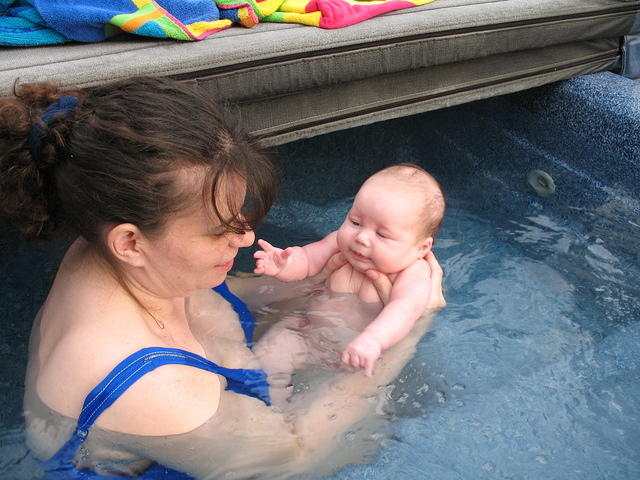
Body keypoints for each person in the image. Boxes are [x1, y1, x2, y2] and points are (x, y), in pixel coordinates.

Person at [0, 77, 445, 479]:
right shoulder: (154, 390)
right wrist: (405, 335)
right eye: (220, 228)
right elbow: (296, 458)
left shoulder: (110, 248)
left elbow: (222, 299)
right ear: (131, 242)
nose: (247, 237)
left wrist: (324, 283)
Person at [252, 165, 445, 405]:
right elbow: (308, 259)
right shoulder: (340, 245)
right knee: (267, 355)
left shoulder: (413, 272)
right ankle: (268, 406)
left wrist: (373, 340)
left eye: (382, 235)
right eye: (355, 221)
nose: (361, 237)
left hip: (358, 357)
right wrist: (284, 265)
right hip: (306, 335)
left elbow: (405, 308)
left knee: (333, 401)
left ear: (421, 248)